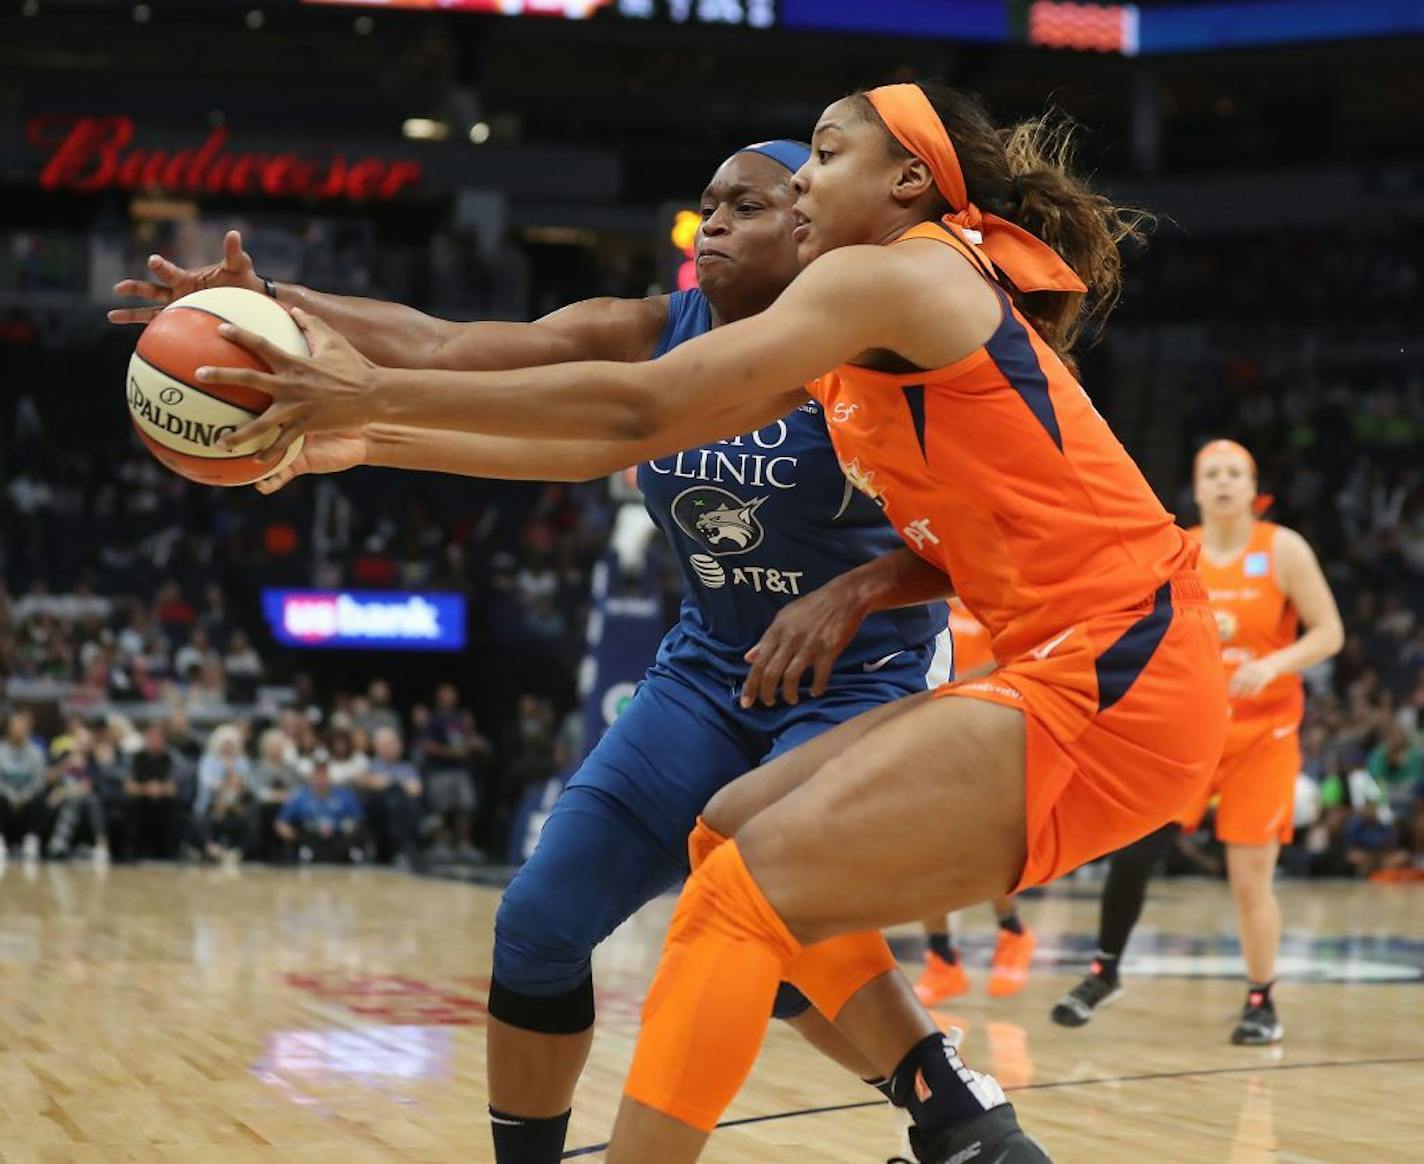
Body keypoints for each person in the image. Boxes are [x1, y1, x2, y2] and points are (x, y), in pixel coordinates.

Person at [198, 80, 1232, 1164]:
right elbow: (607, 443)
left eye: (820, 159)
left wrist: (369, 404)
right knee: (725, 833)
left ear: (907, 182)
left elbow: (636, 408)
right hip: (1069, 661)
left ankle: (914, 1116)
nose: (796, 187)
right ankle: (968, 1134)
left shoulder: (892, 278)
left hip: (1124, 667)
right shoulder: (848, 332)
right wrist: (366, 439)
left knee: (735, 903)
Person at [119, 140, 961, 1164]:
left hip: (862, 680)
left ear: (810, 221)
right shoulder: (653, 328)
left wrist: (855, 588)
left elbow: (992, 534)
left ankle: (952, 1111)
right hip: (710, 671)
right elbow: (441, 347)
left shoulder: (885, 347)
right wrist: (277, 302)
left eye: (743, 204)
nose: (715, 224)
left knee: (769, 930)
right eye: (706, 207)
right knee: (536, 924)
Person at [1052, 439, 1343, 1045]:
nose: (1223, 482)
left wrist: (1278, 663)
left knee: (1249, 876)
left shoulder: (1282, 548)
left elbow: (1330, 633)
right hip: (1189, 727)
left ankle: (1261, 1000)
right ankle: (1104, 971)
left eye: (1235, 472)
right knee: (1132, 847)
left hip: (1264, 734)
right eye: (1211, 473)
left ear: (1254, 484)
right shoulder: (1175, 551)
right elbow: (1141, 630)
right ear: (1196, 485)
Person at [915, 598, 1035, 1004]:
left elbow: (1018, 661)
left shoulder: (997, 594)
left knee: (981, 846)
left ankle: (1012, 930)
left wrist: (959, 688)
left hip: (986, 722)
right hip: (929, 721)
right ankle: (942, 958)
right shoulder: (921, 594)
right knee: (924, 848)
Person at [274, 755, 366, 863]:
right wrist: (292, 835)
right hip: (310, 839)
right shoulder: (299, 797)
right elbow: (281, 822)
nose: (321, 777)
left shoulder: (345, 795)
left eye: (324, 773)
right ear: (311, 776)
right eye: (318, 773)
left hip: (338, 838)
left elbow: (359, 820)